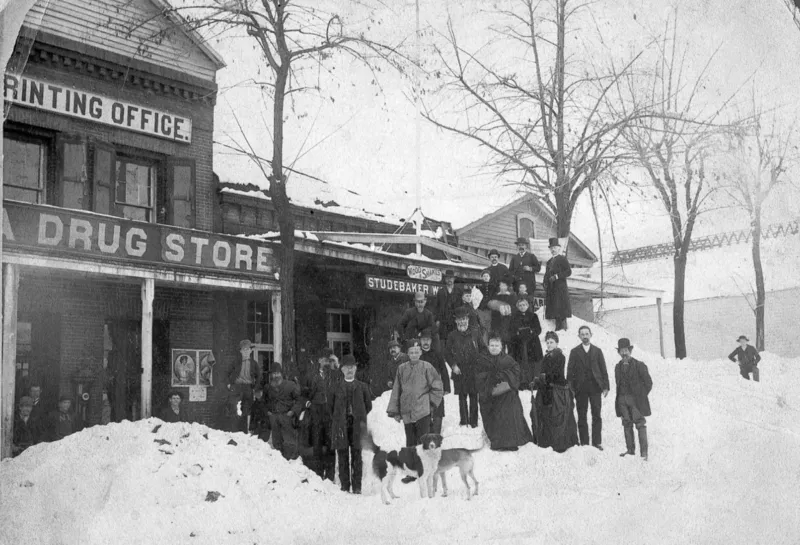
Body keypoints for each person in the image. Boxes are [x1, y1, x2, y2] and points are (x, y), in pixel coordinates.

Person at [475, 332, 533, 451]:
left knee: (510, 408)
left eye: (497, 345)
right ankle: (497, 443)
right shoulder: (482, 360)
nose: (494, 348)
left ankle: (512, 442)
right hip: (490, 394)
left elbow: (516, 372)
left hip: (506, 394)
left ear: (501, 347)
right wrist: (491, 377)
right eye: (492, 345)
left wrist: (503, 375)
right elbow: (478, 376)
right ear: (488, 346)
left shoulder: (508, 359)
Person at [387, 339, 444, 448]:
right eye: (411, 352)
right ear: (407, 353)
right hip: (407, 412)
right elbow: (396, 390)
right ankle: (412, 464)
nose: (414, 355)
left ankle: (425, 464)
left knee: (423, 443)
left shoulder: (427, 367)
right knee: (411, 444)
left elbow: (437, 387)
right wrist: (395, 411)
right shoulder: (401, 369)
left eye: (416, 352)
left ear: (420, 352)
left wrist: (431, 404)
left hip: (422, 412)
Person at [329, 355, 373, 494]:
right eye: (347, 367)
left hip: (357, 425)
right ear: (342, 370)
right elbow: (330, 406)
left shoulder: (363, 387)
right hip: (341, 425)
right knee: (342, 456)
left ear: (355, 369)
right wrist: (339, 418)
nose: (350, 370)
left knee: (357, 456)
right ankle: (345, 486)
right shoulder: (335, 387)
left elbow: (368, 406)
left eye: (352, 367)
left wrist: (358, 416)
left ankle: (357, 487)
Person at [530, 332, 578, 453]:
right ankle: (547, 441)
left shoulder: (560, 356)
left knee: (558, 415)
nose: (549, 344)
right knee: (544, 414)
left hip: (557, 390)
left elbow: (556, 374)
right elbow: (543, 372)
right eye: (547, 342)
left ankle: (560, 444)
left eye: (551, 342)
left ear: (557, 343)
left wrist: (544, 377)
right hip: (546, 389)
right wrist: (537, 380)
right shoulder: (546, 357)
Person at [300, 348, 341, 481]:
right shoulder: (311, 376)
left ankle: (329, 476)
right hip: (316, 413)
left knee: (330, 445)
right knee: (317, 443)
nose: (326, 362)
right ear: (319, 361)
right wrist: (309, 405)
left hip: (329, 414)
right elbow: (303, 394)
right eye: (324, 359)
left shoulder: (334, 375)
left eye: (328, 360)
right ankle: (318, 475)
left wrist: (337, 364)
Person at [567, 326, 610, 450]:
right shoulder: (574, 352)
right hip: (580, 389)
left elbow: (603, 369)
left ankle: (597, 442)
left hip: (595, 387)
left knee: (596, 414)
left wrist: (606, 386)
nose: (585, 336)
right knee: (582, 415)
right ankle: (584, 443)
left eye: (587, 334)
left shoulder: (597, 351)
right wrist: (571, 387)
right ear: (579, 336)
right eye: (582, 334)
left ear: (591, 335)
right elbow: (570, 372)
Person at [445, 306, 486, 428]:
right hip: (460, 371)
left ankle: (473, 423)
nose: (462, 322)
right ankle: (464, 422)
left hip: (473, 370)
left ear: (468, 319)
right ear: (456, 321)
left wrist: (480, 362)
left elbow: (483, 348)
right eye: (459, 319)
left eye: (464, 319)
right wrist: (453, 366)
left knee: (474, 396)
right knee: (462, 397)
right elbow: (447, 353)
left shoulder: (475, 332)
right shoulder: (452, 335)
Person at [614, 338, 653, 461]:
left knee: (640, 424)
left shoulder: (639, 365)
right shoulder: (617, 367)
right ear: (619, 352)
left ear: (630, 351)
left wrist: (640, 396)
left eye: (626, 350)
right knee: (626, 424)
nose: (624, 353)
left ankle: (644, 454)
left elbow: (648, 383)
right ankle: (630, 450)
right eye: (622, 351)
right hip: (622, 400)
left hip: (635, 401)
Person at [265, 363, 303, 460]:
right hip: (274, 417)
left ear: (281, 373)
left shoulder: (290, 385)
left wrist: (293, 411)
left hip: (287, 417)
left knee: (289, 442)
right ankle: (281, 464)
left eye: (277, 373)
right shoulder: (268, 387)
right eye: (273, 374)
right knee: (276, 443)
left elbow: (299, 400)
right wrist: (268, 412)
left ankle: (291, 462)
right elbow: (264, 402)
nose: (275, 376)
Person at [226, 339, 263, 432]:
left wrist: (255, 387)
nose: (246, 351)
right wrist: (229, 384)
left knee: (246, 410)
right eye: (244, 349)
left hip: (248, 388)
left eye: (247, 349)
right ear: (240, 351)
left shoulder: (254, 363)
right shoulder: (236, 362)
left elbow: (259, 376)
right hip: (237, 387)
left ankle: (244, 431)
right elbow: (226, 373)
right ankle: (234, 431)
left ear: (251, 351)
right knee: (233, 407)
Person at [420, 328, 450, 434]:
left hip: (436, 388)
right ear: (420, 341)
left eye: (428, 340)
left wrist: (446, 387)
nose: (426, 342)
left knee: (438, 411)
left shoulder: (437, 354)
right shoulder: (417, 355)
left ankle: (436, 434)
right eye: (423, 340)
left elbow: (444, 371)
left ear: (431, 341)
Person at [509, 297, 544, 386]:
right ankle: (522, 383)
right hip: (519, 343)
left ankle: (533, 382)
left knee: (532, 363)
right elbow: (511, 331)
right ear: (517, 307)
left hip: (532, 342)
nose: (522, 307)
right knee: (521, 362)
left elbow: (538, 330)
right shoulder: (514, 317)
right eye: (520, 305)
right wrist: (518, 333)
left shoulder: (533, 316)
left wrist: (531, 332)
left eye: (524, 305)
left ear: (527, 306)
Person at [543, 237, 572, 331]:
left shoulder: (562, 259)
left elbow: (568, 272)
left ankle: (562, 328)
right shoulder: (549, 262)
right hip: (551, 288)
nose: (553, 250)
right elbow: (547, 274)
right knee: (554, 309)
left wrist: (557, 276)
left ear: (559, 248)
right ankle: (557, 328)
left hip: (560, 288)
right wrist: (544, 282)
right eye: (551, 248)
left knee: (561, 308)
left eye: (555, 247)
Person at [433, 270, 464, 349]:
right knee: (444, 340)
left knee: (455, 339)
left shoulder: (459, 291)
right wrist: (437, 320)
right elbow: (437, 307)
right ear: (445, 279)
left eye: (451, 278)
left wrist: (460, 319)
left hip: (454, 320)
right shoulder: (441, 291)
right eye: (447, 278)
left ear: (454, 279)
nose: (449, 280)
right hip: (443, 320)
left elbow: (461, 306)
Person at [486, 275, 516, 348]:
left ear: (507, 287)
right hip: (497, 322)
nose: (501, 287)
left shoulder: (512, 296)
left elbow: (514, 308)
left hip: (508, 322)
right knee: (498, 341)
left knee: (508, 342)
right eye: (500, 285)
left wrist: (507, 310)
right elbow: (491, 305)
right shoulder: (496, 295)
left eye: (503, 285)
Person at [476, 269, 494, 344]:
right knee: (482, 326)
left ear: (489, 277)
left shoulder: (493, 287)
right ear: (482, 277)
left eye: (487, 276)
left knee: (488, 327)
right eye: (484, 276)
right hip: (481, 309)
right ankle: (483, 343)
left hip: (489, 309)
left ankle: (487, 344)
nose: (486, 277)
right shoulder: (478, 287)